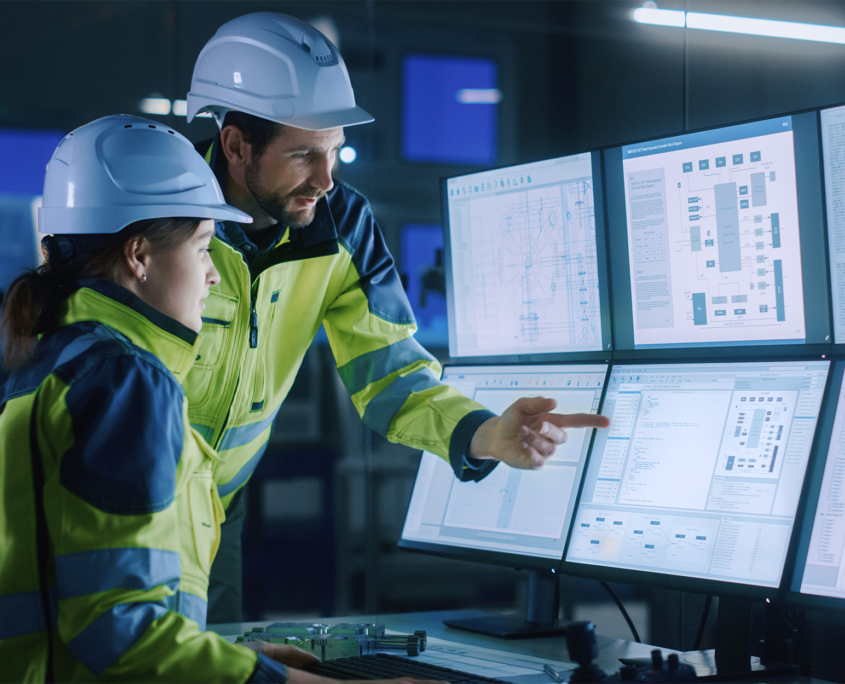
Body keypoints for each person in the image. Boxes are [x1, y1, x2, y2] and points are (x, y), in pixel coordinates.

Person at [184, 12, 611, 622]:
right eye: (304, 154)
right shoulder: (161, 218)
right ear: (235, 146)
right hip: (124, 503)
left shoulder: (343, 227)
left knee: (211, 660)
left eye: (333, 152)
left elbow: (391, 373)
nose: (326, 179)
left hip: (216, 509)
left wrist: (482, 435)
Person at [0, 114, 436, 684]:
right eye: (205, 246)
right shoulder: (127, 381)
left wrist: (235, 660)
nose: (211, 275)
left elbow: (81, 596)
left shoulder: (44, 359)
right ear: (138, 255)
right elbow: (119, 630)